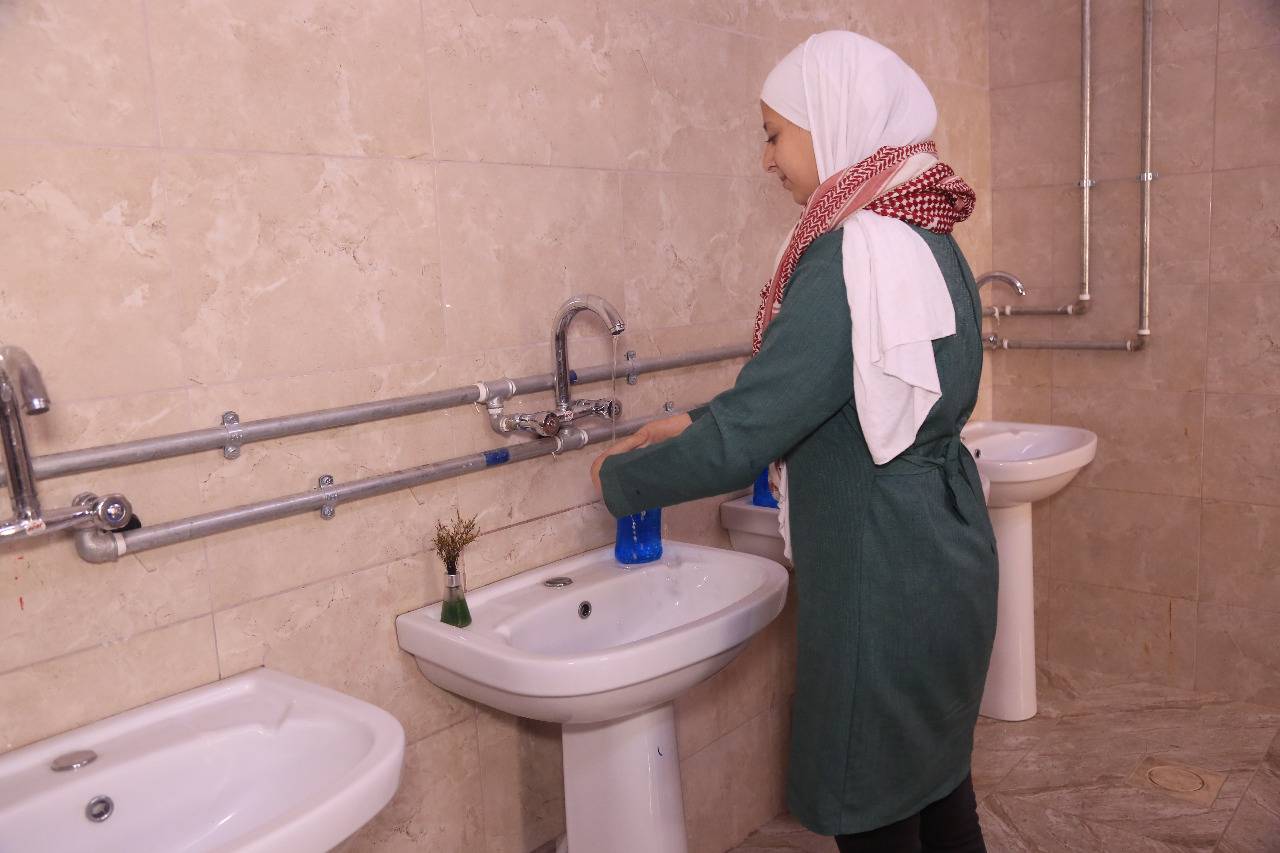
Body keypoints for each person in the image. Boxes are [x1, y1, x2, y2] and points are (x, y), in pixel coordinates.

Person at [590, 31, 998, 853]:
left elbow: (755, 432)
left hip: (880, 577)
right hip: (948, 557)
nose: (767, 159)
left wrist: (619, 479)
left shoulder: (852, 255)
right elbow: (828, 387)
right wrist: (698, 420)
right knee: (938, 793)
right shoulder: (930, 241)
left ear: (833, 119)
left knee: (872, 806)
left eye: (775, 134)